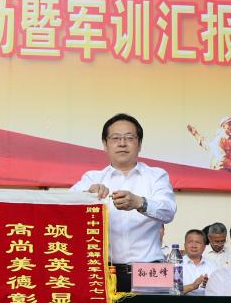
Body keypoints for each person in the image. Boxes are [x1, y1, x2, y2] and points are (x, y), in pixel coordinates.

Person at [73, 113, 176, 292]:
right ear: (105, 144)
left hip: (151, 270)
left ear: (139, 144)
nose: (122, 143)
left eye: (129, 138)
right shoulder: (91, 178)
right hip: (105, 271)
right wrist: (87, 197)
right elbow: (65, 209)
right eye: (115, 138)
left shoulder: (157, 175)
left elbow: (168, 211)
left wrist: (139, 203)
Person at [181, 228, 215, 296]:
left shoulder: (213, 265)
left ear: (204, 247)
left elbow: (221, 290)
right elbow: (170, 292)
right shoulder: (176, 264)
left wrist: (211, 286)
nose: (194, 246)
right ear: (184, 245)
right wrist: (192, 286)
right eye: (190, 242)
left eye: (198, 242)